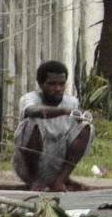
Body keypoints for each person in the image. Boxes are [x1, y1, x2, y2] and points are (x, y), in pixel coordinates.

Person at [13, 60, 95, 192]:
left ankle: (61, 180)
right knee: (31, 122)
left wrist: (85, 116)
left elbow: (79, 133)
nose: (57, 89)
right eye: (52, 84)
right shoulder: (29, 98)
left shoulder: (72, 102)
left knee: (86, 127)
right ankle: (35, 181)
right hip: (29, 168)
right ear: (41, 84)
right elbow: (32, 111)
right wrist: (64, 111)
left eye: (61, 84)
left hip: (56, 162)